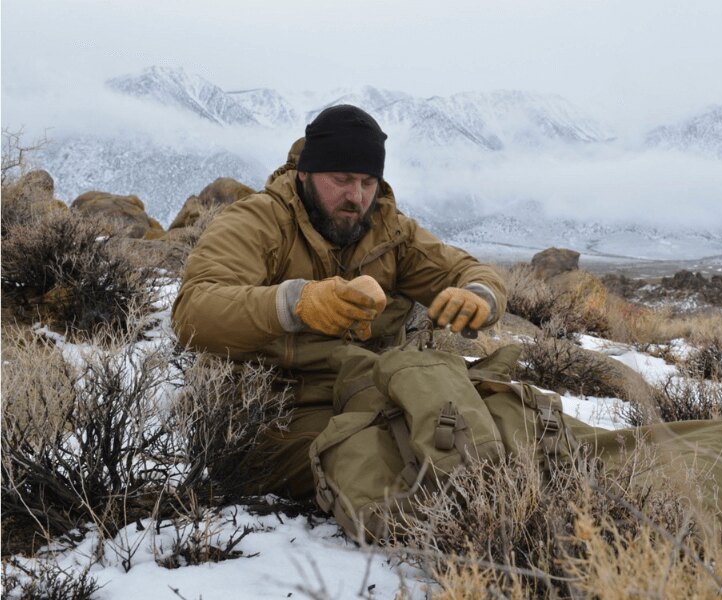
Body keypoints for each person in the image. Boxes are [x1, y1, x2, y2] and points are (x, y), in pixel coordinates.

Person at [172, 105, 507, 498]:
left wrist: (479, 295)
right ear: (305, 173)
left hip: (372, 395)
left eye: (368, 182)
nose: (356, 196)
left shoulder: (391, 231)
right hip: (271, 412)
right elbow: (194, 311)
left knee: (499, 429)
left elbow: (465, 271)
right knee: (390, 469)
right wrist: (295, 303)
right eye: (342, 179)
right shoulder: (258, 221)